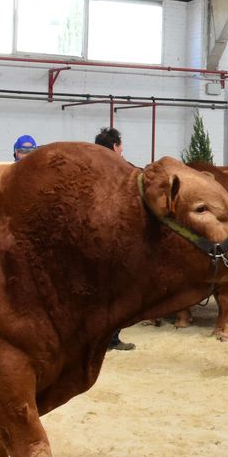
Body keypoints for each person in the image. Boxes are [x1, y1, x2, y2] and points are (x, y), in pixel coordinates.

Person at [95, 128, 135, 352]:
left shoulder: (88, 167)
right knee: (115, 294)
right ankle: (111, 339)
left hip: (93, 239)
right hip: (114, 239)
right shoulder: (122, 170)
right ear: (114, 146)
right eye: (120, 145)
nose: (121, 149)